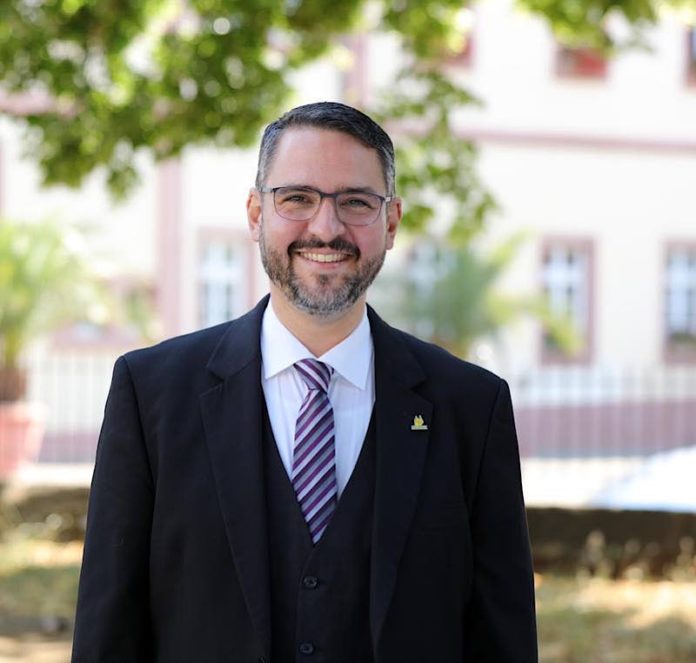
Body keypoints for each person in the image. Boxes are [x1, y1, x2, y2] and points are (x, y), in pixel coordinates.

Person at [72, 101, 537, 662]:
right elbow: (108, 635)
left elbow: (502, 639)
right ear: (254, 214)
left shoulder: (471, 408)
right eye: (297, 198)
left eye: (356, 203)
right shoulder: (150, 396)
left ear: (390, 223)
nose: (326, 227)